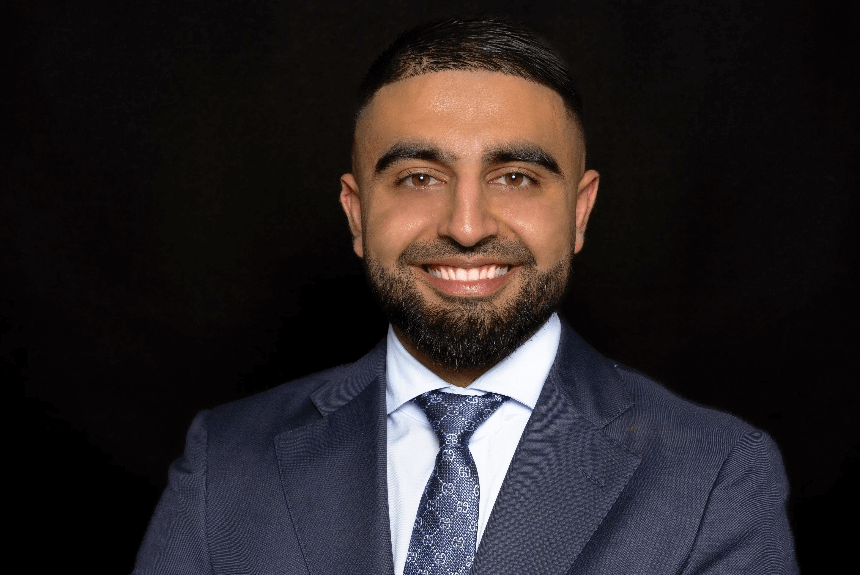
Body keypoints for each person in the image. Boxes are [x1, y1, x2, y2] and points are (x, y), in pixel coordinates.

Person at [133, 16, 798, 575]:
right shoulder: (224, 460)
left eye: (516, 177)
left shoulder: (716, 475)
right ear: (357, 214)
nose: (468, 226)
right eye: (419, 177)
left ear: (580, 212)